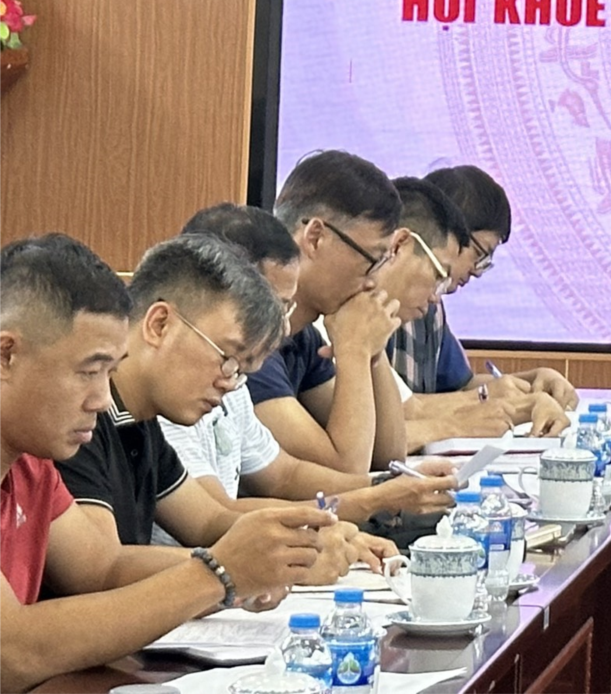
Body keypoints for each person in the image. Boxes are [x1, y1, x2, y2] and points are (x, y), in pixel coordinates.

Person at [0, 234, 331, 694]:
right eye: (88, 371)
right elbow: (12, 651)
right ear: (6, 355)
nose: (102, 399)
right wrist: (216, 574)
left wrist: (241, 568)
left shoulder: (32, 465)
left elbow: (102, 568)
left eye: (109, 371)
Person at [53, 235, 374, 583]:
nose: (228, 383)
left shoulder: (141, 423)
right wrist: (238, 568)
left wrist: (309, 538)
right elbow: (101, 569)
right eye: (226, 358)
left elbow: (209, 521)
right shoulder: (78, 418)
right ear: (160, 324)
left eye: (239, 371)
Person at [166, 206, 457, 535]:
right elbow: (214, 519)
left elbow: (285, 474)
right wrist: (376, 499)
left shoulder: (236, 374)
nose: (281, 326)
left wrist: (390, 486)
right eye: (270, 307)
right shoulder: (180, 387)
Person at [247, 151, 408, 472]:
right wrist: (355, 350)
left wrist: (373, 352)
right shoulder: (250, 339)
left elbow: (388, 456)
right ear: (315, 238)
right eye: (371, 259)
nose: (374, 281)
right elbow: (346, 469)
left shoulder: (303, 338)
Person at [392, 165, 577, 436]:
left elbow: (457, 386)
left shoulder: (430, 306)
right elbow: (402, 411)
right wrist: (485, 400)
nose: (477, 271)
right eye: (479, 255)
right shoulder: (375, 307)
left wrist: (529, 383)